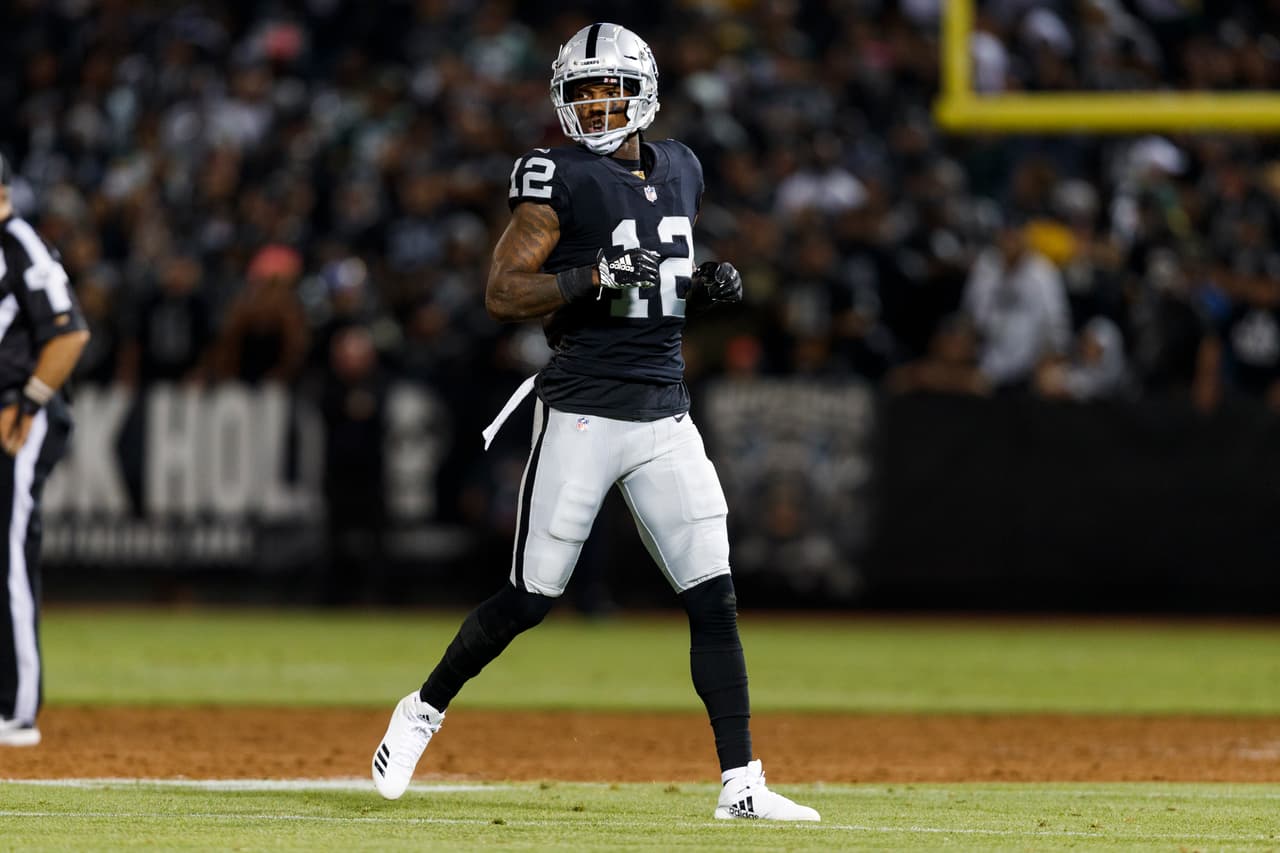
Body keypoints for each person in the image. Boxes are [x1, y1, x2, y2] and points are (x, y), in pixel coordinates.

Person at [372, 23, 819, 822]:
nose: (594, 103)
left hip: (664, 411)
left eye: (606, 88)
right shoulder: (556, 176)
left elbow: (658, 280)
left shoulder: (682, 165)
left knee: (712, 592)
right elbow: (506, 290)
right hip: (582, 411)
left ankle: (741, 783)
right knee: (530, 598)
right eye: (580, 91)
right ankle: (422, 708)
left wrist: (703, 288)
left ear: (642, 89)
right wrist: (589, 275)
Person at [0, 154, 91, 747]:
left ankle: (16, 708)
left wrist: (29, 402)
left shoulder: (19, 243)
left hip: (18, 418)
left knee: (7, 550)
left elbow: (70, 331)